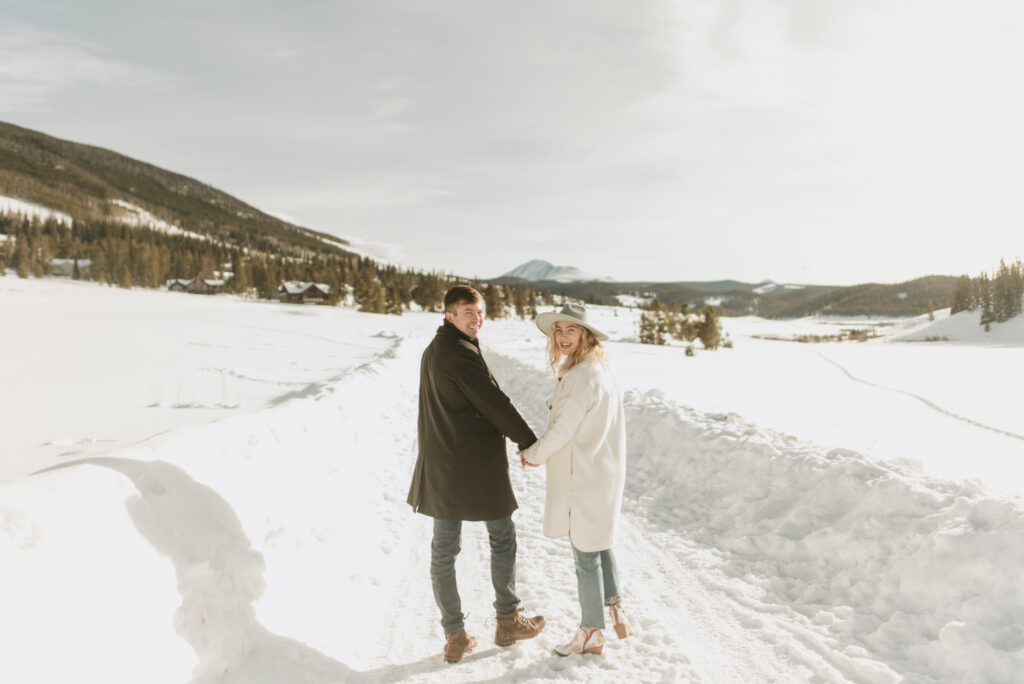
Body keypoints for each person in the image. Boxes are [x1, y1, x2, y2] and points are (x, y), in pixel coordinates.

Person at [407, 284, 546, 664]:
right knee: (501, 537)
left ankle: (454, 636)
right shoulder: (460, 352)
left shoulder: (435, 348)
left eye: (480, 312)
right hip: (475, 464)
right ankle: (507, 620)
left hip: (441, 464)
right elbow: (493, 402)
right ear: (449, 315)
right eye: (468, 312)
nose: (476, 319)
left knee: (443, 550)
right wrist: (529, 442)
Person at [518, 302, 632, 657]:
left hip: (583, 475)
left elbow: (564, 429)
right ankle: (615, 608)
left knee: (584, 553)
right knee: (600, 540)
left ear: (585, 335)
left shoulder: (582, 377)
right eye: (559, 330)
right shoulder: (599, 370)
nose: (564, 337)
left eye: (572, 330)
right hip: (603, 471)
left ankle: (591, 631)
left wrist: (532, 454)